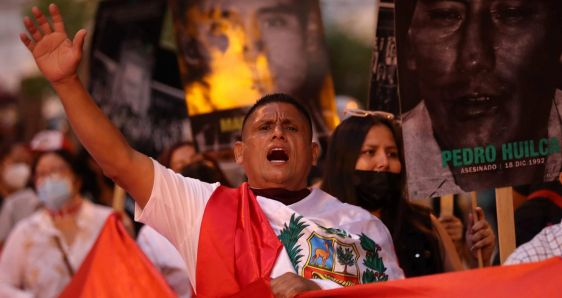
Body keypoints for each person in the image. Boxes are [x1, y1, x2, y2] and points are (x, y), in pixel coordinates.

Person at [19, 5, 403, 297]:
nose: (278, 134)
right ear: (239, 153)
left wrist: (318, 294)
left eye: (292, 128)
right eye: (264, 128)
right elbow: (119, 161)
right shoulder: (201, 209)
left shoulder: (362, 228)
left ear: (315, 151)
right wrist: (67, 85)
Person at [398, 0, 562, 198]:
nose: (474, 59)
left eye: (512, 13)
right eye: (446, 15)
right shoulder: (389, 157)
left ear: (556, 40)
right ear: (410, 47)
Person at [321, 111, 496, 277]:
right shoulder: (317, 232)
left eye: (392, 154)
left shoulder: (425, 226)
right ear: (343, 161)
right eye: (370, 152)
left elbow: (461, 290)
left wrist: (478, 261)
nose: (384, 162)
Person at [170, 0, 336, 143]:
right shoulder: (192, 143)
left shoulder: (338, 144)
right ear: (193, 48)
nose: (252, 44)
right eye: (222, 27)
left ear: (309, 36)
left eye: (274, 22)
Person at [0, 149, 113, 297]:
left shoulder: (106, 221)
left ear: (77, 179)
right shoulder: (26, 231)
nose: (48, 179)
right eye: (41, 174)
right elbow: (3, 285)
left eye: (56, 170)